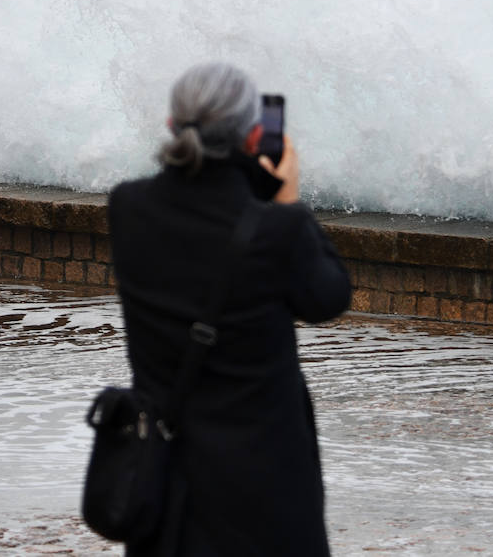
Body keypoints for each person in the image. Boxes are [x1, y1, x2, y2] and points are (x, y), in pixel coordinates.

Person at [107, 61, 350, 556]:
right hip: (267, 485)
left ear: (173, 127)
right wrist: (286, 200)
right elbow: (327, 298)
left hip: (167, 474)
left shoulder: (127, 208)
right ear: (254, 136)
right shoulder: (275, 229)